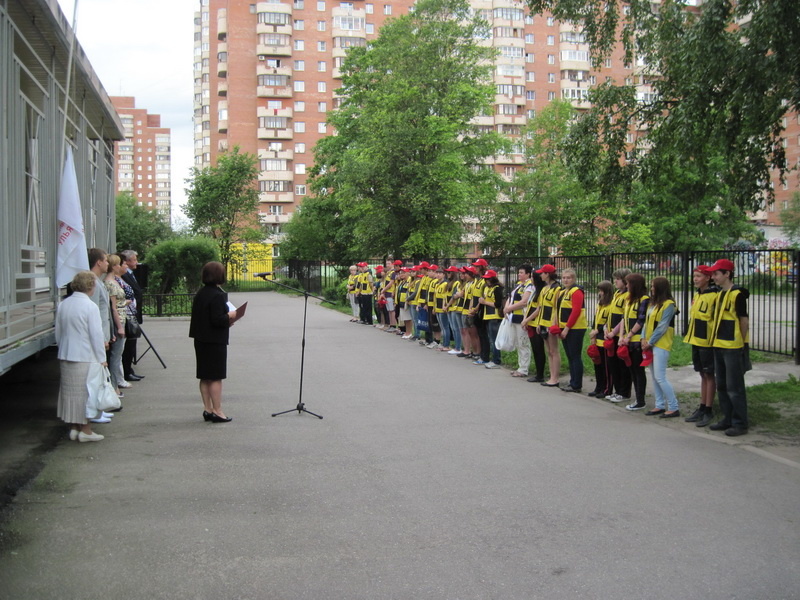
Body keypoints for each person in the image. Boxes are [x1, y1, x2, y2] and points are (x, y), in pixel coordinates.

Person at [55, 271, 108, 442]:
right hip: (85, 355)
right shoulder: (90, 306)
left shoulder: (64, 304)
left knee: (70, 394)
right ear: (90, 285)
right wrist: (102, 358)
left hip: (66, 353)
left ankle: (74, 427)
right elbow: (96, 334)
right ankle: (86, 430)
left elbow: (58, 332)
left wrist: (62, 347)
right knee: (87, 393)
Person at [189, 261, 237, 423]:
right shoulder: (217, 295)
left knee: (204, 376)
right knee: (216, 377)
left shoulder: (201, 293)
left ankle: (207, 409)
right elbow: (217, 320)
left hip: (201, 339)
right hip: (215, 341)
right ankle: (218, 410)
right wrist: (230, 316)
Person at [707, 258, 750, 437]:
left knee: (734, 387)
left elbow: (743, 320)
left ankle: (740, 423)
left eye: (717, 273)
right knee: (722, 385)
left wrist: (741, 343)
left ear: (727, 274)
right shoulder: (719, 294)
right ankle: (727, 418)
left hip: (732, 346)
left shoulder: (737, 294)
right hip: (718, 344)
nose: (714, 277)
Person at [683, 265, 718, 427]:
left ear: (708, 278)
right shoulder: (698, 295)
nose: (695, 279)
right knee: (702, 375)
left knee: (709, 374)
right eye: (694, 276)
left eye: (698, 276)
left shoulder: (714, 296)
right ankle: (702, 407)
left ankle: (709, 409)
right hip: (696, 340)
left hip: (707, 342)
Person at [641, 277, 680, 418]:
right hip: (649, 343)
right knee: (654, 376)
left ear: (660, 288)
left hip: (661, 344)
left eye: (653, 286)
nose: (651, 289)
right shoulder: (653, 304)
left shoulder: (669, 305)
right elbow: (646, 322)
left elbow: (663, 326)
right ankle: (659, 405)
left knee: (660, 376)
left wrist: (650, 342)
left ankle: (674, 406)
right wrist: (643, 339)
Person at [616, 273, 649, 411]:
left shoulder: (644, 299)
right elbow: (624, 318)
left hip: (637, 341)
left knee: (638, 370)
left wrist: (629, 336)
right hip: (628, 340)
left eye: (628, 283)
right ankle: (637, 398)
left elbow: (641, 320)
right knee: (632, 370)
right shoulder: (629, 299)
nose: (627, 285)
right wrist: (621, 336)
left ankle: (640, 400)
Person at [557, 268, 587, 393]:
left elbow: (575, 311)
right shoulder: (564, 291)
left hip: (575, 328)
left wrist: (567, 328)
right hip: (565, 327)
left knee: (575, 356)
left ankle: (576, 384)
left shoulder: (576, 291)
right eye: (564, 277)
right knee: (570, 356)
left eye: (568, 277)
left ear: (574, 279)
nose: (566, 280)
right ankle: (572, 381)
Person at [604, 268, 632, 402]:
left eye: (618, 279)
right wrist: (605, 327)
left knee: (622, 365)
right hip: (610, 333)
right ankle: (617, 389)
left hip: (619, 334)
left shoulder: (628, 296)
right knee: (613, 363)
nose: (615, 281)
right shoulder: (616, 293)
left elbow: (624, 317)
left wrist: (614, 332)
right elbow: (610, 313)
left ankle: (624, 392)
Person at [104, 254, 129, 397]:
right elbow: (113, 307)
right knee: (115, 356)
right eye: (119, 264)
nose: (120, 266)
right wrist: (119, 327)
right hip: (118, 319)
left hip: (121, 317)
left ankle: (115, 384)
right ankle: (114, 387)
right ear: (114, 266)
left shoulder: (114, 281)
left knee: (117, 354)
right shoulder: (110, 283)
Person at [532, 265, 561, 387]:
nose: (540, 275)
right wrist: (539, 322)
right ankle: (551, 376)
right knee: (549, 351)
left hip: (551, 323)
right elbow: (540, 307)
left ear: (548, 274)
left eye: (542, 273)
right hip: (543, 322)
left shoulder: (557, 289)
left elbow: (556, 308)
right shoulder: (544, 289)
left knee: (554, 350)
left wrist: (553, 324)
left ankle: (555, 378)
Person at [504, 265, 534, 378]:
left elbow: (524, 302)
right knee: (518, 343)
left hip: (522, 318)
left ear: (528, 274)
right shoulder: (518, 285)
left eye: (521, 272)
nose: (519, 274)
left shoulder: (529, 286)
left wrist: (509, 308)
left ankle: (524, 369)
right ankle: (520, 366)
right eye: (519, 272)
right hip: (514, 317)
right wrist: (506, 308)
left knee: (523, 343)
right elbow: (510, 298)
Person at [120, 250, 145, 382]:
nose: (136, 262)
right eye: (134, 260)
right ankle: (126, 370)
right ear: (127, 261)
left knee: (132, 344)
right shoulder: (124, 276)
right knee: (129, 345)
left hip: (133, 313)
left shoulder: (130, 274)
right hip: (129, 314)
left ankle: (129, 369)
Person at [588, 281, 614, 398]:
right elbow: (596, 320)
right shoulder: (600, 304)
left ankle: (606, 389)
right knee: (597, 364)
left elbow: (606, 322)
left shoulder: (610, 305)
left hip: (604, 338)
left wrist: (597, 331)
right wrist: (593, 334)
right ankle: (598, 387)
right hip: (597, 338)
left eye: (601, 291)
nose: (599, 293)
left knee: (605, 366)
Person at [521, 270, 546, 383]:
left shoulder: (541, 291)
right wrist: (526, 320)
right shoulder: (535, 290)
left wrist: (527, 319)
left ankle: (540, 374)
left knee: (539, 349)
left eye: (532, 277)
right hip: (531, 323)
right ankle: (538, 373)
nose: (530, 279)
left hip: (536, 323)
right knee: (536, 350)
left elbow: (538, 309)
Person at [478, 269, 504, 368]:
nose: (487, 281)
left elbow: (498, 304)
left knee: (494, 340)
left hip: (495, 316)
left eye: (488, 279)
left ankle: (496, 360)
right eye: (486, 279)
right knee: (491, 339)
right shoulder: (487, 288)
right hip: (487, 316)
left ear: (493, 279)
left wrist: (485, 302)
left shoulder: (497, 288)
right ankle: (493, 359)